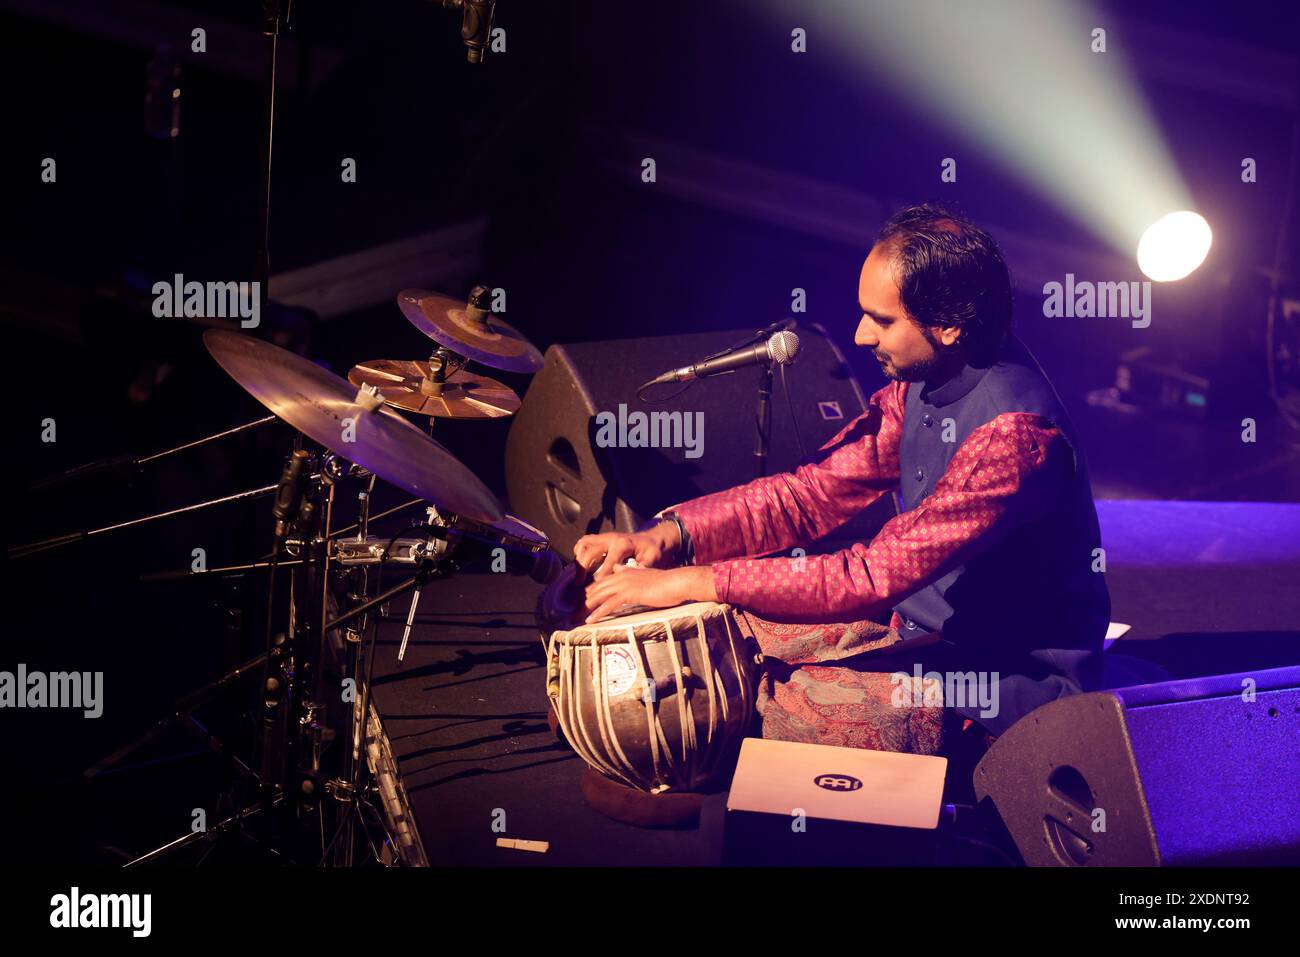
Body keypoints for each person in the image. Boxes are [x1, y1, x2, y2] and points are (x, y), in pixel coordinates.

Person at [574, 203, 1110, 761]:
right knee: (717, 639)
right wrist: (668, 537)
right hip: (917, 628)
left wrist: (692, 580)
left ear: (950, 325)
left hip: (1006, 680)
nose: (859, 335)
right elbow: (809, 496)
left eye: (882, 321)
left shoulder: (1014, 439)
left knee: (783, 701)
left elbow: (872, 574)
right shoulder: (927, 379)